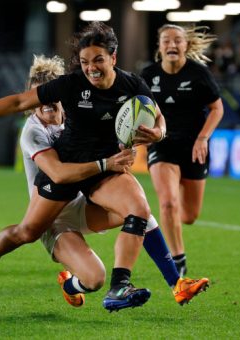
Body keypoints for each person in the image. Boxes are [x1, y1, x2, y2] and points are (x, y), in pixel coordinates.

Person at [0, 22, 170, 311]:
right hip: (60, 192)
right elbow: (21, 108)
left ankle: (123, 285)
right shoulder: (46, 115)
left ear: (113, 58)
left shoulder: (118, 91)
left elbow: (156, 115)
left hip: (90, 187)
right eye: (84, 62)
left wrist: (158, 132)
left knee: (139, 210)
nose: (91, 68)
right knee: (26, 233)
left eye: (98, 60)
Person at [22, 54, 209, 308]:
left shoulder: (77, 118)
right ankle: (70, 283)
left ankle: (176, 284)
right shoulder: (33, 131)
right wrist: (106, 164)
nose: (49, 103)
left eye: (53, 96)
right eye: (42, 98)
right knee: (93, 278)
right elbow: (59, 174)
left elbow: (105, 138)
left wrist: (125, 148)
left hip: (81, 205)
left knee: (140, 211)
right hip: (52, 217)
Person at [140, 24, 224, 276]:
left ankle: (177, 215)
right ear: (160, 45)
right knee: (167, 204)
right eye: (166, 40)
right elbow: (136, 109)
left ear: (186, 45)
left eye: (178, 40)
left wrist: (203, 138)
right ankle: (178, 258)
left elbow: (217, 108)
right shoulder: (147, 76)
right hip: (162, 145)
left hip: (193, 149)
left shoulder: (199, 74)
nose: (172, 45)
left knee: (188, 216)